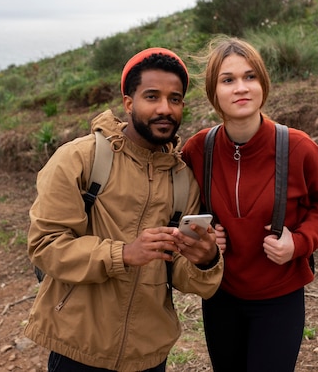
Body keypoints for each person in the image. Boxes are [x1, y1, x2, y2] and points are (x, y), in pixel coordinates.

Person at [24, 47, 223, 372]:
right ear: (129, 103)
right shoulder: (79, 158)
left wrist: (205, 260)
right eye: (152, 96)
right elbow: (45, 246)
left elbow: (183, 276)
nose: (165, 108)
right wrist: (124, 253)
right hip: (78, 347)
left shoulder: (182, 179)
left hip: (149, 355)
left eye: (175, 99)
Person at [181, 36, 318, 371]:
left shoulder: (298, 147)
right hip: (221, 296)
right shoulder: (198, 150)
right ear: (214, 92)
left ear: (263, 84)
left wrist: (299, 242)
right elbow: (179, 207)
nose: (241, 87)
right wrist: (206, 236)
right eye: (228, 80)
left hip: (279, 298)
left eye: (250, 76)